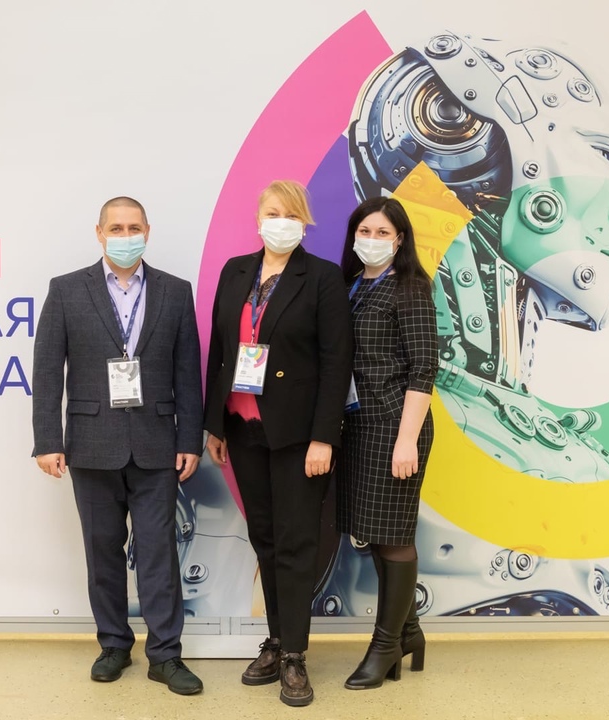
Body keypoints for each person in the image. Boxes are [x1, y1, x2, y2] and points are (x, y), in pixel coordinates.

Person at [32, 196, 205, 696]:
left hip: (157, 445)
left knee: (158, 555)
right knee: (102, 551)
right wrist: (47, 440)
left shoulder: (175, 291)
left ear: (147, 230)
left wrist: (189, 438)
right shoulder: (66, 290)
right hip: (90, 444)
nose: (125, 236)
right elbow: (47, 370)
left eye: (133, 227)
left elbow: (187, 374)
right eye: (116, 228)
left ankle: (165, 655)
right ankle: (113, 644)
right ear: (99, 232)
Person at [203, 180, 352, 707]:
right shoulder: (235, 271)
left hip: (297, 435)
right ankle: (275, 639)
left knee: (295, 542)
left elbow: (337, 363)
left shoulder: (323, 278)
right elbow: (221, 350)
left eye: (291, 214)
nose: (280, 222)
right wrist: (215, 425)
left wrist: (323, 437)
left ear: (304, 222)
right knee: (265, 539)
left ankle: (294, 655)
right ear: (258, 219)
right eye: (272, 213)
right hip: (243, 429)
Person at [336, 197, 436, 689]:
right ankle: (410, 632)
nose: (372, 240)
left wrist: (407, 441)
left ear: (399, 239)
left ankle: (385, 645)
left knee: (394, 536)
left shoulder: (410, 287)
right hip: (358, 424)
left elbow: (424, 367)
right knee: (375, 531)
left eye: (382, 233)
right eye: (365, 231)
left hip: (396, 426)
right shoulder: (352, 285)